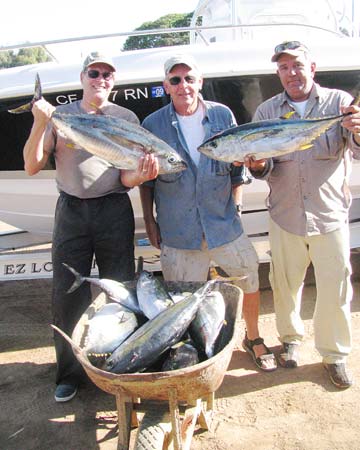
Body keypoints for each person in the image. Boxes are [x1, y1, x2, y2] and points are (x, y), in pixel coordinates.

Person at [23, 51, 158, 402]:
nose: (101, 79)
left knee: (122, 290)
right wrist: (41, 121)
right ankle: (69, 373)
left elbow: (127, 176)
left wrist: (141, 174)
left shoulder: (126, 117)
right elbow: (31, 166)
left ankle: (122, 366)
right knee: (67, 293)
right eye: (94, 73)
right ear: (82, 77)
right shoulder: (62, 116)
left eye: (107, 75)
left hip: (113, 208)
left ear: (114, 81)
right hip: (71, 212)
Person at [140, 54, 277, 372]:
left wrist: (238, 207)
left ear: (200, 82)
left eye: (189, 78)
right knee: (183, 299)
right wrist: (150, 221)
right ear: (166, 86)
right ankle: (191, 351)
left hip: (223, 224)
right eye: (175, 80)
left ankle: (253, 337)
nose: (183, 85)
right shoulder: (153, 125)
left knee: (249, 278)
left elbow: (236, 170)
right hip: (178, 230)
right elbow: (146, 183)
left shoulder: (221, 115)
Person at [244, 41, 360, 388]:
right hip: (285, 216)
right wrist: (258, 163)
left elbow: (356, 151)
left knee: (335, 290)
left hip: (329, 216)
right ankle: (291, 341)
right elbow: (261, 168)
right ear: (277, 73)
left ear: (312, 67)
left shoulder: (339, 103)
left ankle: (334, 355)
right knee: (285, 285)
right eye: (283, 67)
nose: (291, 73)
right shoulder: (266, 111)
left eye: (297, 65)